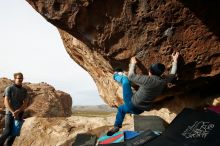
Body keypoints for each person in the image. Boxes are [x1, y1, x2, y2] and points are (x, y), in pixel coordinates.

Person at [107, 52, 180, 136]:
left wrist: (133, 64)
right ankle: (116, 126)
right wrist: (175, 60)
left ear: (149, 72)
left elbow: (131, 76)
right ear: (161, 74)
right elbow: (172, 75)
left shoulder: (147, 80)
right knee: (122, 108)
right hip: (140, 110)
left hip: (131, 103)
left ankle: (115, 75)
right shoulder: (163, 82)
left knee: (125, 80)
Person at [0, 72, 29, 146]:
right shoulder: (9, 88)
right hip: (9, 113)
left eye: (21, 78)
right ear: (14, 79)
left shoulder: (24, 90)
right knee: (7, 131)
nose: (20, 80)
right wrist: (13, 112)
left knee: (14, 133)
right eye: (18, 78)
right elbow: (6, 101)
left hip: (19, 113)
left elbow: (25, 103)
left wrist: (18, 111)